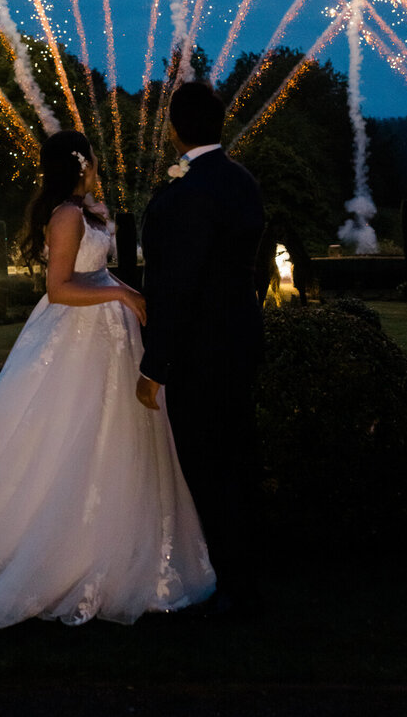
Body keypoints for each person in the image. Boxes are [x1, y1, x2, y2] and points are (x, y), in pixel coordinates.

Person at [0, 129, 216, 632]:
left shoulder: (89, 211)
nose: (99, 162)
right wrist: (120, 298)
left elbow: (95, 272)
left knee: (117, 439)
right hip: (76, 339)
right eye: (93, 157)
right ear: (81, 163)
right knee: (72, 437)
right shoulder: (66, 216)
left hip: (108, 339)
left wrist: (126, 289)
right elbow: (60, 290)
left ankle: (122, 543)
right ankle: (62, 555)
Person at [137, 81, 265, 617]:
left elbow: (177, 286)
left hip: (199, 355)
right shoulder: (243, 181)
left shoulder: (187, 193)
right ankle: (246, 572)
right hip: (241, 342)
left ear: (174, 130)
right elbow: (255, 268)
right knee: (238, 459)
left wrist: (155, 365)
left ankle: (230, 586)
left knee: (207, 470)